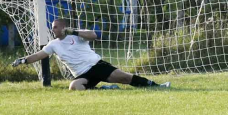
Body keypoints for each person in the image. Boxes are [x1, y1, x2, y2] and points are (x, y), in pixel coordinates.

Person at [11, 18, 170, 90]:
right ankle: (105, 89)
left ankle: (156, 86)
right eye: (52, 27)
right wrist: (24, 60)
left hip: (96, 66)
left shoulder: (76, 35)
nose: (53, 30)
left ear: (64, 27)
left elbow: (93, 35)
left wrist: (74, 31)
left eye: (55, 27)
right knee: (74, 86)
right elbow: (39, 55)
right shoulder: (53, 45)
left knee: (125, 78)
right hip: (82, 74)